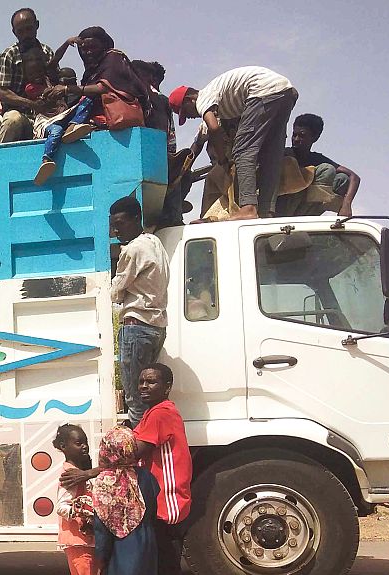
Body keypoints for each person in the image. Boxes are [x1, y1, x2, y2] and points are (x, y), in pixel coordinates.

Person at [89, 425, 172, 575]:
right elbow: (154, 499)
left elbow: (103, 530)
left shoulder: (104, 483)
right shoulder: (145, 477)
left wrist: (101, 560)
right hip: (146, 544)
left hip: (122, 550)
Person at [133, 363, 197, 575]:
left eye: (151, 382)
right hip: (161, 510)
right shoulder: (152, 413)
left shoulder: (160, 413)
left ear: (166, 386)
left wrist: (90, 471)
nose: (144, 386)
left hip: (166, 511)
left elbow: (130, 451)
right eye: (142, 381)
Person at [169, 66, 299, 220]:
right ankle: (266, 210)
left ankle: (248, 208)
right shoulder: (221, 98)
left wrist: (223, 159)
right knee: (271, 156)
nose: (190, 117)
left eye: (186, 112)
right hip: (286, 92)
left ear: (190, 99)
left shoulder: (203, 98)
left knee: (243, 152)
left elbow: (214, 128)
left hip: (263, 92)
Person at [35, 27, 150, 185]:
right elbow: (51, 66)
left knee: (87, 98)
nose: (88, 52)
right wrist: (67, 44)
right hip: (96, 121)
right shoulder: (91, 71)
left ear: (104, 46)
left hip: (118, 116)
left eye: (93, 47)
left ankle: (74, 126)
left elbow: (102, 88)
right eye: (84, 49)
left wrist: (67, 89)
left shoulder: (113, 58)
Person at [108, 195, 167, 427]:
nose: (115, 231)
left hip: (136, 328)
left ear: (136, 219)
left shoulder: (133, 249)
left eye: (120, 224)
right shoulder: (155, 242)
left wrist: (118, 291)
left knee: (135, 399)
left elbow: (115, 291)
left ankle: (140, 456)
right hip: (156, 328)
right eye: (114, 225)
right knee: (150, 399)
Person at [0, 8, 60, 143]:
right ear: (14, 32)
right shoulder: (9, 55)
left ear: (37, 25)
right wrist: (32, 104)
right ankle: (1, 160)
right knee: (12, 120)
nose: (25, 34)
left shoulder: (47, 52)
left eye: (29, 29)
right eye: (20, 31)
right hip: (21, 116)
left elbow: (56, 83)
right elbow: (3, 93)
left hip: (47, 116)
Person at [275, 113, 360, 217]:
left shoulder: (315, 159)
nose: (296, 139)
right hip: (280, 206)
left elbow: (354, 177)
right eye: (294, 135)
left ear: (315, 138)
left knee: (342, 179)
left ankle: (307, 216)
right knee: (326, 169)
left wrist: (346, 205)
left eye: (302, 135)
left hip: (303, 209)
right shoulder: (284, 154)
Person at [53, 423, 95, 575]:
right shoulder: (70, 474)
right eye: (78, 443)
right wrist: (82, 515)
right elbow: (61, 505)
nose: (84, 447)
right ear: (63, 446)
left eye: (85, 442)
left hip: (82, 541)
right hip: (79, 541)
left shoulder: (79, 470)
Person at [131, 60, 177, 155]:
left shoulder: (156, 100)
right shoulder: (164, 100)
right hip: (160, 153)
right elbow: (171, 137)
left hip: (144, 151)